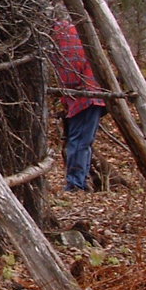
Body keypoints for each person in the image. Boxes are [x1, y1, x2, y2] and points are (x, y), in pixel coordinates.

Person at [50, 19, 107, 192]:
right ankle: (80, 181)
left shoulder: (66, 36)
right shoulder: (74, 32)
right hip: (88, 96)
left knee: (79, 142)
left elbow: (71, 75)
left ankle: (76, 183)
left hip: (86, 97)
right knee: (82, 142)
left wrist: (63, 89)